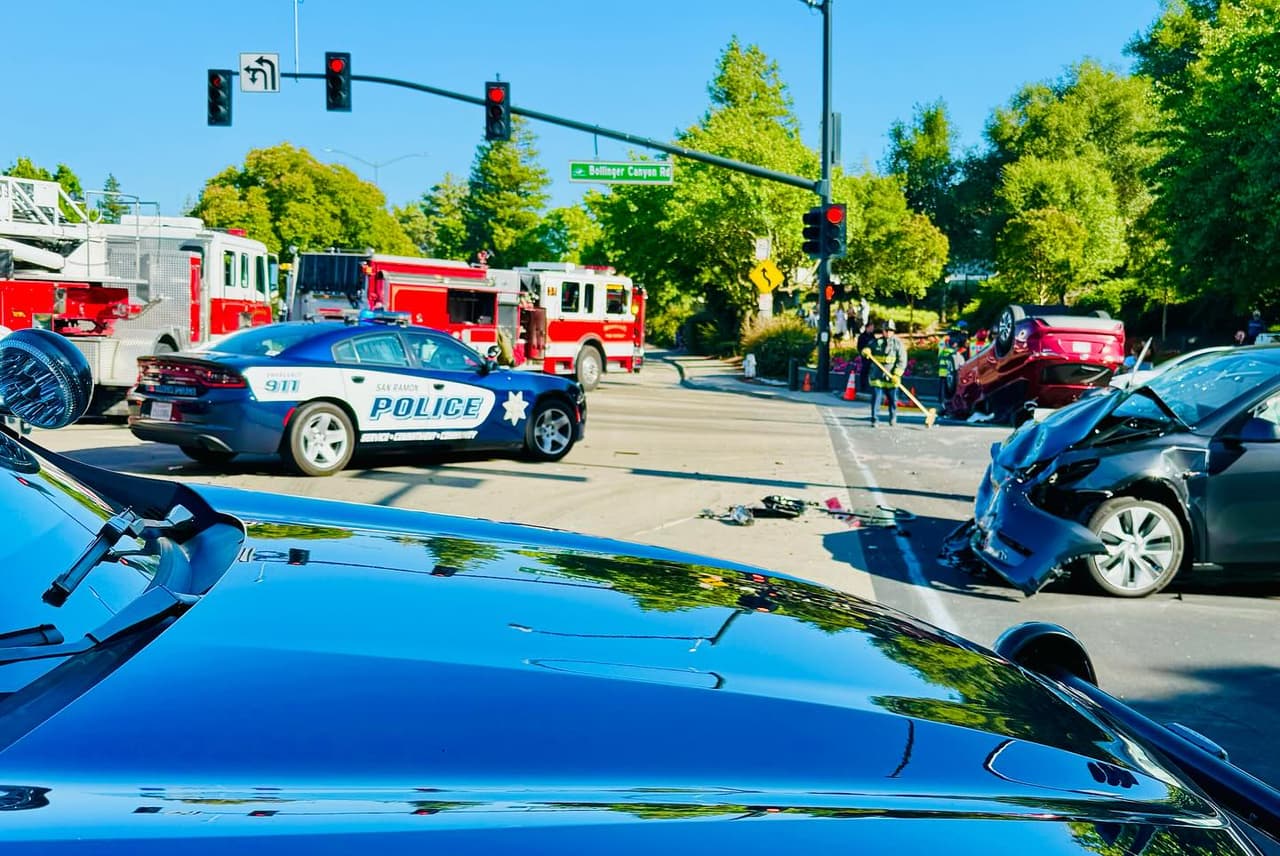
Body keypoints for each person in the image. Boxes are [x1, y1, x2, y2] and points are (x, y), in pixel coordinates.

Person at [862, 320, 907, 426]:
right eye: (886, 330)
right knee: (876, 398)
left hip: (891, 377)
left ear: (893, 331)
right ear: (883, 331)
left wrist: (897, 374)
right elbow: (867, 348)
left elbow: (902, 360)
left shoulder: (898, 344)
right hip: (877, 376)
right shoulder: (877, 342)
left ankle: (892, 417)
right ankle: (874, 419)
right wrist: (866, 350)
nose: (888, 332)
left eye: (890, 330)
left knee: (893, 400)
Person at [855, 321, 877, 394]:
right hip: (865, 358)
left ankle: (870, 387)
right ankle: (863, 387)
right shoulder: (862, 336)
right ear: (867, 328)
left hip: (872, 358)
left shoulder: (872, 336)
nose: (872, 329)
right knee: (864, 372)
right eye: (871, 327)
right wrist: (863, 353)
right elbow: (859, 347)